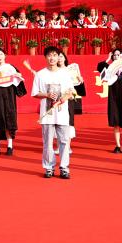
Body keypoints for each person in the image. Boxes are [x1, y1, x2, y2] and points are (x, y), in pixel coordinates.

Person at [32, 46, 77, 179]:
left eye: (54, 55)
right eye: (49, 55)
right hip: (47, 114)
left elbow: (71, 91)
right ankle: (49, 167)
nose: (52, 58)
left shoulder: (65, 74)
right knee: (47, 142)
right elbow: (35, 93)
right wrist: (46, 94)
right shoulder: (40, 74)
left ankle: (64, 168)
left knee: (64, 141)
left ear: (58, 57)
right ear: (45, 57)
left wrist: (64, 98)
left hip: (62, 113)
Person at [97, 49, 122, 153]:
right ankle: (118, 146)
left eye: (118, 55)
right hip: (114, 98)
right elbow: (100, 67)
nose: (116, 56)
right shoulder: (109, 69)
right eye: (114, 55)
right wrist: (108, 59)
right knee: (116, 122)